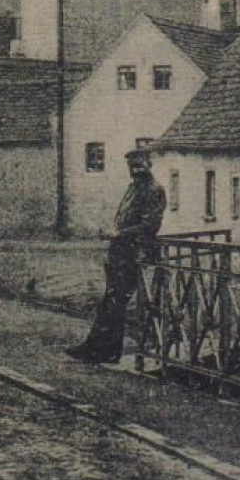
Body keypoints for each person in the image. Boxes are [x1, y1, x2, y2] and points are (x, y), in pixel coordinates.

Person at [66, 148, 166, 364]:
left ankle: (107, 352)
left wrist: (120, 233)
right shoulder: (133, 189)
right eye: (132, 166)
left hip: (134, 253)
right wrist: (113, 231)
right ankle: (95, 348)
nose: (136, 170)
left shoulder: (154, 190)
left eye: (140, 165)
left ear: (149, 165)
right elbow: (125, 218)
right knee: (110, 301)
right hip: (119, 252)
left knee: (116, 301)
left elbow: (150, 225)